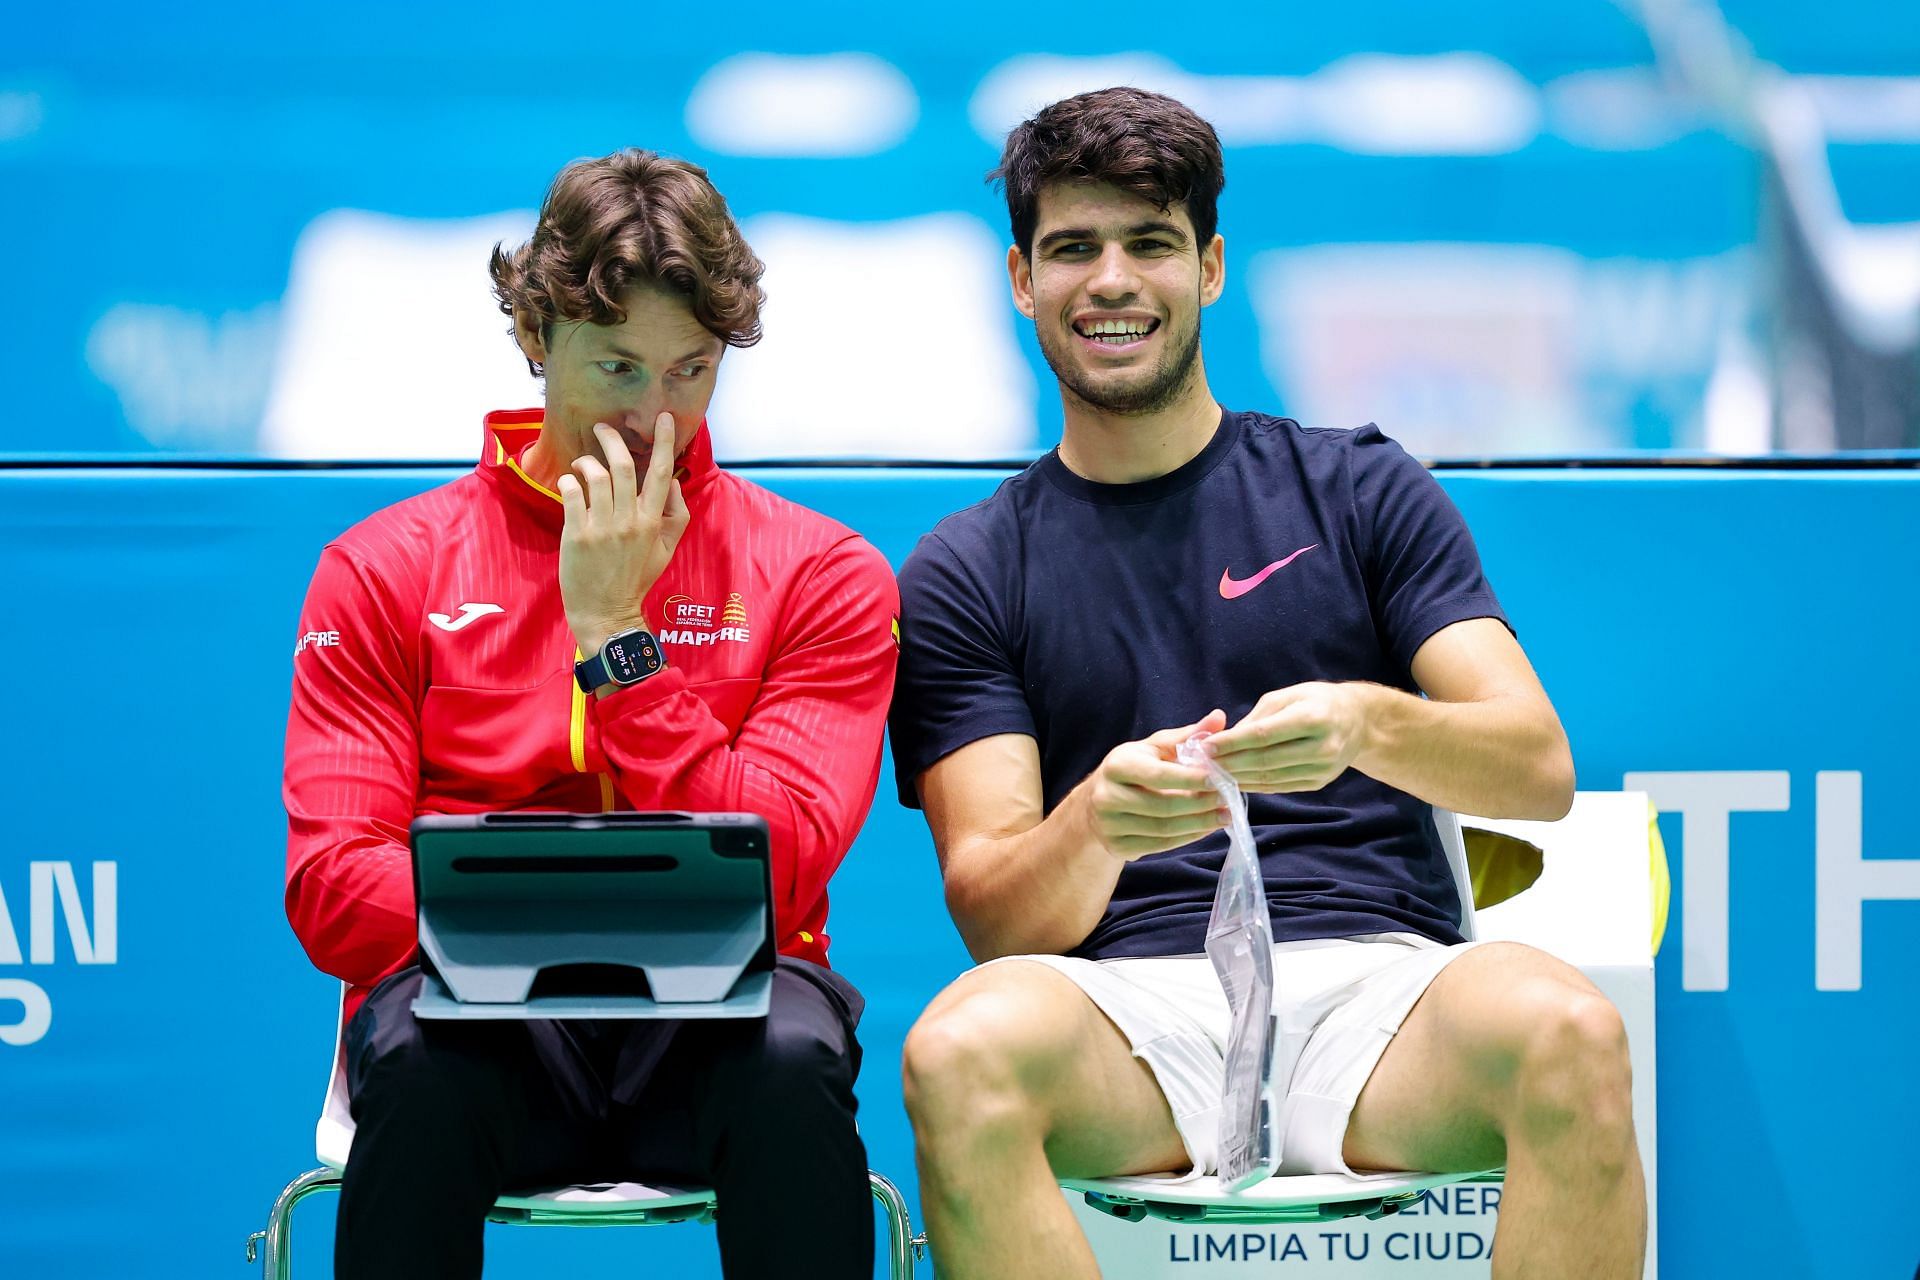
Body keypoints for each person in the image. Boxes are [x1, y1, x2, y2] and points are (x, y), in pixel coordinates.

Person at [889, 88, 1645, 1279]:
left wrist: (1366, 719)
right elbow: (995, 916)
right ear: (1022, 280)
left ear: (1212, 266)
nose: (1113, 280)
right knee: (957, 1051)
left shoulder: (1359, 489)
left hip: (1386, 998)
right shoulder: (968, 568)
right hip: (1129, 1013)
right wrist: (1095, 823)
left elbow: (1536, 766)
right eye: (1074, 248)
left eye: (1150, 243)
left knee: (1571, 1031)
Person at [283, 148, 898, 1279]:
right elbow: (331, 891)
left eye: (690, 371)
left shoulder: (822, 571)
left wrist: (618, 641)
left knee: (792, 1058)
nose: (652, 418)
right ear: (535, 337)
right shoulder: (382, 568)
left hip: (729, 1024)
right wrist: (536, 921)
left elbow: (791, 860)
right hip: (472, 1024)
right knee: (415, 1060)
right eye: (616, 367)